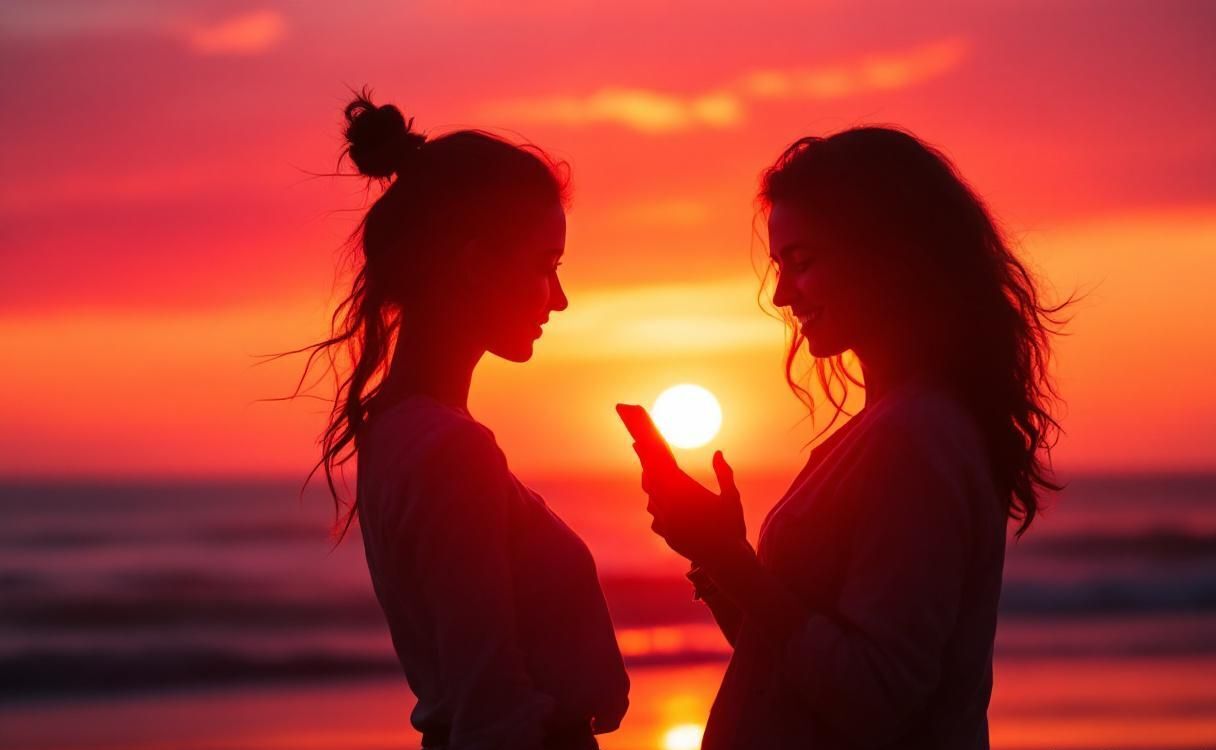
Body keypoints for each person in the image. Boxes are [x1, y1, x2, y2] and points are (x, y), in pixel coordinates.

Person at [624, 127, 1066, 749]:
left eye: (802, 263)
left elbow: (875, 697)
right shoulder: (887, 429)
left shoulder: (916, 438)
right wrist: (711, 553)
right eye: (779, 267)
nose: (781, 295)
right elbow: (788, 660)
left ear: (887, 256)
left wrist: (731, 559)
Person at [303, 91, 629, 749]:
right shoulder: (451, 450)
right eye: (546, 267)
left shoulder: (396, 429)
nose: (560, 299)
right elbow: (493, 710)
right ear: (476, 263)